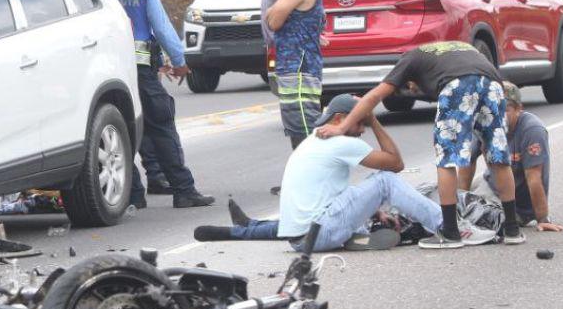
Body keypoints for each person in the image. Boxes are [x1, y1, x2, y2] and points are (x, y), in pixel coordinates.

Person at [192, 95, 488, 251]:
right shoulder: (339, 140)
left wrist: (371, 212)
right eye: (358, 124)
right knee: (384, 181)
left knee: (371, 198)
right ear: (339, 119)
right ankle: (450, 227)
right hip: (318, 233)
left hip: (301, 239)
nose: (361, 131)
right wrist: (372, 118)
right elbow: (395, 164)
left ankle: (356, 233)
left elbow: (331, 193)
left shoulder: (314, 141)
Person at [317, 40, 526, 248]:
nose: (415, 91)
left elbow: (374, 96)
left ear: (408, 79)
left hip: (458, 84)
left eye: (411, 88)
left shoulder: (409, 59)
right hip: (494, 85)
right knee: (497, 156)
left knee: (446, 159)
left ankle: (451, 232)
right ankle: (512, 230)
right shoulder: (452, 49)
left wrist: (341, 128)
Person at [93, 0, 214, 210]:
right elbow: (163, 29)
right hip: (142, 73)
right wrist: (180, 62)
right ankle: (184, 190)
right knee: (161, 126)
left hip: (108, 77)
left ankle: (134, 195)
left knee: (119, 133)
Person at [459, 81, 563, 231]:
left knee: (472, 216)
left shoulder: (532, 130)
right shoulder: (486, 123)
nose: (499, 115)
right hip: (490, 183)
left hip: (515, 203)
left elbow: (534, 178)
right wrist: (459, 200)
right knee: (444, 196)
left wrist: (543, 218)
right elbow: (467, 162)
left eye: (505, 109)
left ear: (518, 109)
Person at [265, 0, 324, 148]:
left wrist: (272, 10)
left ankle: (308, 180)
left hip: (298, 68)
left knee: (303, 129)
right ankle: (302, 180)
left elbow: (272, 21)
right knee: (299, 126)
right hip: (301, 66)